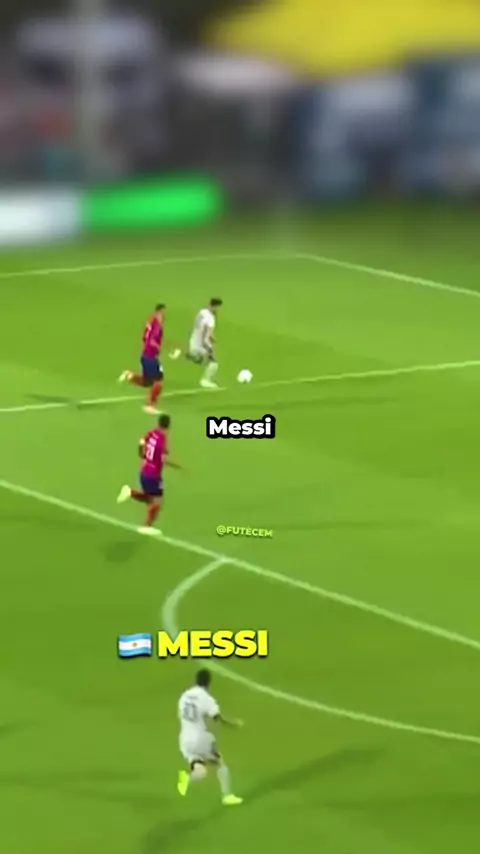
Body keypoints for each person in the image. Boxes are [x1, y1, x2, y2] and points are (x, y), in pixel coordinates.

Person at [177, 668, 243, 806]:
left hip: (185, 740)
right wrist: (233, 724)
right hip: (200, 739)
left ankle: (187, 778)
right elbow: (217, 718)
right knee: (220, 763)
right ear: (209, 682)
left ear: (196, 680)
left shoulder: (184, 696)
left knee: (200, 771)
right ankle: (227, 796)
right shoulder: (206, 698)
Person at [116, 413, 179, 534]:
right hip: (153, 475)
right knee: (157, 503)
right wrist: (178, 467)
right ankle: (146, 526)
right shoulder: (163, 440)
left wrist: (141, 454)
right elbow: (163, 460)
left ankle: (130, 492)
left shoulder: (152, 433)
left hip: (144, 471)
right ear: (169, 426)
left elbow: (141, 442)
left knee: (150, 499)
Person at [119, 304, 166, 414]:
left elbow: (145, 338)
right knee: (158, 381)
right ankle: (150, 406)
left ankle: (130, 376)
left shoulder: (150, 322)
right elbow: (152, 340)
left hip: (146, 355)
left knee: (147, 382)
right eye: (163, 312)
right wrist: (158, 347)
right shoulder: (157, 325)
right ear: (158, 312)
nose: (164, 315)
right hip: (150, 357)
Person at [186, 298, 223, 389]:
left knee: (203, 360)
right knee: (214, 363)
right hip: (203, 344)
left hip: (193, 341)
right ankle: (206, 381)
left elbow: (196, 325)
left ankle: (195, 357)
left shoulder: (202, 312)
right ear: (215, 306)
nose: (218, 310)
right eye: (218, 307)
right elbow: (209, 334)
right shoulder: (211, 318)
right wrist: (211, 341)